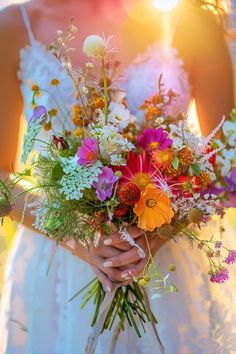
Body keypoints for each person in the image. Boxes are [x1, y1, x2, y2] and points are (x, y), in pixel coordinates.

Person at [0, 0, 235, 353]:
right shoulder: (15, 26)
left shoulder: (189, 19)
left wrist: (161, 227)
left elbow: (229, 161)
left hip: (172, 269)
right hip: (59, 272)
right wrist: (79, 239)